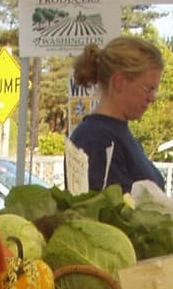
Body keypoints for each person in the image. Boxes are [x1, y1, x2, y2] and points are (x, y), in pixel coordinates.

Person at [67, 35, 166, 193]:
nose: (152, 98)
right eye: (148, 89)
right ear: (119, 81)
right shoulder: (95, 139)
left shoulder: (118, 134)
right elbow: (95, 212)